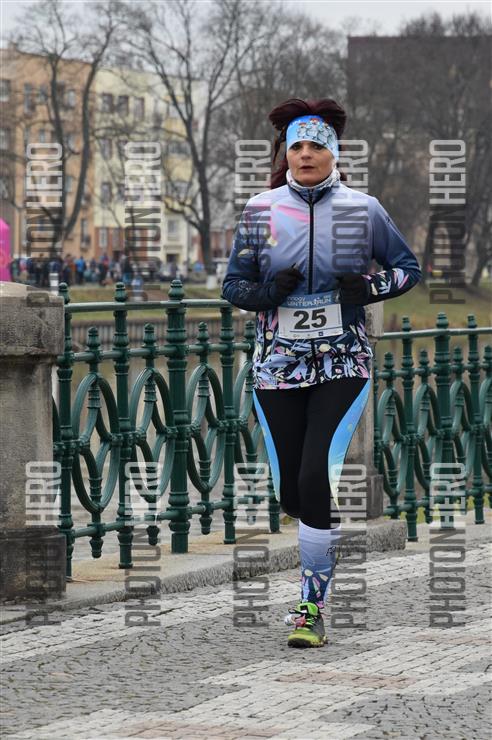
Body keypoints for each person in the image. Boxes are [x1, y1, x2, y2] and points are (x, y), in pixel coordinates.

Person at [221, 98, 421, 648]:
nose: (305, 155)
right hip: (278, 364)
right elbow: (234, 285)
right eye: (297, 147)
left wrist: (370, 288)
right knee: (292, 492)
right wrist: (268, 292)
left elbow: (408, 270)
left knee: (315, 477)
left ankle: (310, 606)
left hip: (342, 361)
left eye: (316, 146)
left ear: (334, 153)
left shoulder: (364, 209)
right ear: (285, 155)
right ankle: (317, 526)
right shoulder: (260, 210)